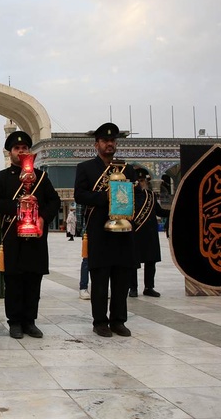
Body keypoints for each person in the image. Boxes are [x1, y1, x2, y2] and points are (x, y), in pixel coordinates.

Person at [0, 131, 60, 339]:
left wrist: (42, 218)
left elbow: (54, 201)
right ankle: (15, 322)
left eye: (24, 148)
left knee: (33, 280)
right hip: (12, 237)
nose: (21, 151)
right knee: (14, 281)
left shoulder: (41, 178)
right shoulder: (0, 178)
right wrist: (20, 206)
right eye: (17, 149)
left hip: (36, 236)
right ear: (10, 152)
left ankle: (30, 321)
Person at [74, 122, 135, 337]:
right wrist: (105, 197)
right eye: (105, 141)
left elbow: (134, 197)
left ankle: (118, 320)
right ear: (96, 144)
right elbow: (79, 195)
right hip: (99, 231)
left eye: (112, 141)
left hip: (123, 233)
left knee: (121, 278)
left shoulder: (127, 169)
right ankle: (100, 321)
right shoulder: (86, 168)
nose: (109, 144)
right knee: (100, 278)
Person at [130, 167, 169, 298]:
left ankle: (149, 287)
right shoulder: (129, 196)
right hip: (135, 233)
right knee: (133, 263)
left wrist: (174, 211)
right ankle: (133, 288)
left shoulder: (151, 196)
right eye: (138, 180)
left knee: (150, 261)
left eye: (142, 180)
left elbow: (160, 212)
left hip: (150, 234)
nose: (140, 183)